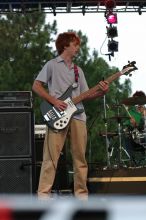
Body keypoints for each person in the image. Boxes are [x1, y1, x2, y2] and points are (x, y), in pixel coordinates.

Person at [32, 31, 109, 200]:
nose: (77, 49)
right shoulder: (51, 65)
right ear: (65, 45)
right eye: (75, 45)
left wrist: (101, 93)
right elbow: (36, 86)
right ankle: (43, 196)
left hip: (78, 117)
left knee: (80, 159)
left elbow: (86, 95)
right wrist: (54, 101)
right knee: (50, 157)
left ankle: (82, 197)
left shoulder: (78, 71)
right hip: (56, 115)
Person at [123, 91, 146, 164]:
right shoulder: (130, 112)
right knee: (126, 137)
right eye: (135, 100)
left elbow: (143, 127)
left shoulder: (145, 112)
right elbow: (126, 127)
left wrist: (143, 116)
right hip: (134, 137)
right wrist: (133, 125)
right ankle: (131, 162)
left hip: (144, 135)